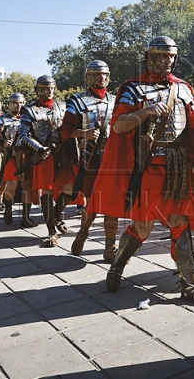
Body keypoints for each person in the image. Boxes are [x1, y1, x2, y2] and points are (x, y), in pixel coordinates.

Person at [92, 36, 194, 307]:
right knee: (143, 225)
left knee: (179, 221)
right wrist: (145, 111)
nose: (167, 61)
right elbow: (119, 127)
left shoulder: (184, 88)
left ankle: (190, 285)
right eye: (162, 56)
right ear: (149, 57)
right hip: (149, 165)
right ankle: (116, 266)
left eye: (171, 56)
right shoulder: (132, 89)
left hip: (179, 164)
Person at [62, 60, 120, 261]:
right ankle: (83, 231)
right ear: (89, 77)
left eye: (103, 74)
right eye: (96, 74)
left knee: (112, 204)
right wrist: (83, 133)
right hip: (91, 159)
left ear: (108, 76)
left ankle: (110, 247)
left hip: (113, 158)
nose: (100, 78)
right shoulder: (77, 101)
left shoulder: (117, 100)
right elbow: (65, 131)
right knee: (94, 204)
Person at [17, 76, 70, 246]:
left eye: (52, 88)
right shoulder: (29, 110)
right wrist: (39, 148)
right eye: (46, 88)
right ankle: (52, 232)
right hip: (44, 155)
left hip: (62, 153)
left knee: (70, 190)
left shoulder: (62, 106)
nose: (50, 91)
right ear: (38, 89)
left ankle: (55, 215)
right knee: (46, 192)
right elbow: (23, 134)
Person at [0, 93, 36, 226]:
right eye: (15, 102)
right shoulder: (2, 119)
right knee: (12, 185)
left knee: (27, 187)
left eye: (20, 102)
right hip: (11, 156)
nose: (18, 105)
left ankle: (26, 217)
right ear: (9, 104)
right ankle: (8, 208)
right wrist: (2, 142)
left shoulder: (30, 118)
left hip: (26, 155)